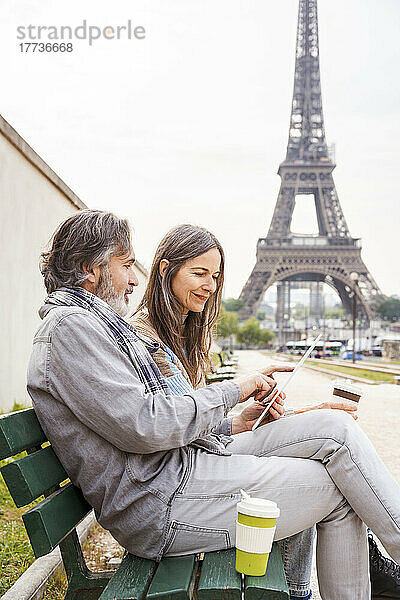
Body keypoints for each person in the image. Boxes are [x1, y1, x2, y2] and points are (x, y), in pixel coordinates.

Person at [27, 210, 400, 600]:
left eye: (215, 276)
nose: (134, 279)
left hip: (175, 473)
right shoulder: (73, 329)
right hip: (161, 501)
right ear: (90, 269)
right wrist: (235, 391)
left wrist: (238, 420)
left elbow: (161, 418)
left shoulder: (93, 325)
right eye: (125, 265)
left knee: (336, 430)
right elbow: (147, 425)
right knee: (337, 488)